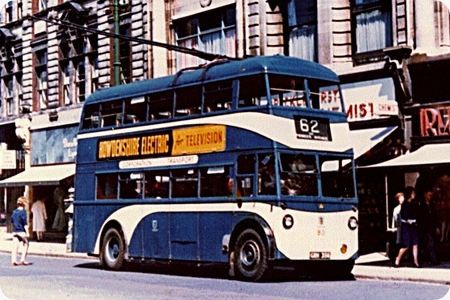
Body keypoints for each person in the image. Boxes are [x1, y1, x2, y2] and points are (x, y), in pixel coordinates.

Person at [395, 186, 420, 268]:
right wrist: (407, 219)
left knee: (415, 244)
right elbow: (403, 215)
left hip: (413, 226)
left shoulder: (414, 203)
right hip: (406, 227)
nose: (414, 194)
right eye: (413, 193)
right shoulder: (404, 204)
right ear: (409, 194)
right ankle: (398, 258)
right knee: (406, 245)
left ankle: (416, 262)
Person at [419, 189, 440, 265]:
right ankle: (433, 259)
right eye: (429, 195)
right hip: (424, 227)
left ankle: (430, 259)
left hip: (431, 226)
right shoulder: (421, 205)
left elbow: (435, 216)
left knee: (429, 242)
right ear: (425, 195)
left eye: (431, 195)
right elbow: (420, 217)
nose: (430, 197)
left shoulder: (431, 205)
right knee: (428, 243)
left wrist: (437, 226)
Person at [10, 196, 31, 266]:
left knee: (15, 246)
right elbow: (25, 223)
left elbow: (12, 220)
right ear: (24, 203)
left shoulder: (14, 212)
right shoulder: (23, 212)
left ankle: (14, 260)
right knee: (26, 244)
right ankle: (22, 259)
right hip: (21, 231)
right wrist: (27, 232)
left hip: (15, 231)